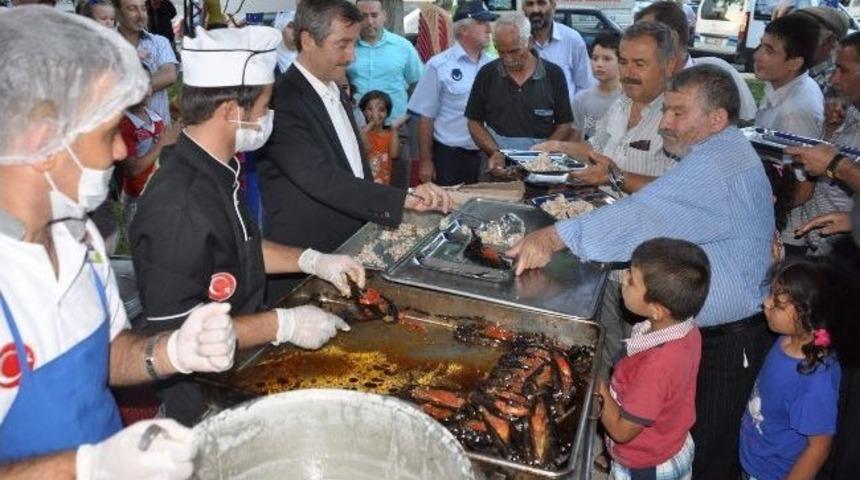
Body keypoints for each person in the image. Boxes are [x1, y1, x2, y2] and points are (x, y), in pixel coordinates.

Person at [508, 65, 776, 480]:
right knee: (679, 438)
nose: (665, 122)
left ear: (717, 119)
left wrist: (553, 238)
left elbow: (647, 216)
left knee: (711, 454)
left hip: (731, 341)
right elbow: (662, 201)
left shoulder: (718, 164)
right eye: (666, 110)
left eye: (678, 113)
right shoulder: (720, 152)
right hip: (710, 332)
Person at [0, 7, 236, 477]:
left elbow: (107, 351)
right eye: (109, 133)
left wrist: (170, 351)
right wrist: (87, 467)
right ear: (46, 143)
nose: (123, 150)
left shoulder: (81, 237)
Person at [131, 25, 362, 426]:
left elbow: (239, 245)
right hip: (203, 402)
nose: (268, 117)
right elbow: (177, 336)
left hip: (239, 371)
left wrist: (312, 260)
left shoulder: (220, 169)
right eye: (265, 106)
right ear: (232, 112)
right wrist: (282, 324)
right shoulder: (179, 204)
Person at [257, 0, 452, 304]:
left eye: (354, 44)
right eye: (342, 45)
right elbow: (321, 179)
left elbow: (354, 170)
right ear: (308, 40)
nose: (351, 56)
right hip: (304, 266)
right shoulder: (282, 100)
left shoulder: (335, 88)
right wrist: (405, 200)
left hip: (347, 253)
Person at [598, 238, 708, 480]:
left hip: (645, 465)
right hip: (668, 442)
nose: (624, 280)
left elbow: (621, 431)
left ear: (657, 309)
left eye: (631, 281)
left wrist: (600, 388)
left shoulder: (656, 366)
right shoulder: (688, 329)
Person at [536, 22, 680, 197]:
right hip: (603, 209)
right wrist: (558, 147)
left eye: (639, 64)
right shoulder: (621, 103)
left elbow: (679, 190)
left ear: (670, 65)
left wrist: (615, 177)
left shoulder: (681, 117)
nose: (628, 73)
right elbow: (595, 148)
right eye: (624, 62)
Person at [740, 259, 852, 480]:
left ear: (806, 314)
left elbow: (818, 448)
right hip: (755, 457)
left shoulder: (814, 380)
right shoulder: (788, 338)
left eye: (778, 302)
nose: (766, 302)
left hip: (771, 473)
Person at [754, 14, 824, 257]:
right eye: (761, 45)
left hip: (781, 235)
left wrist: (755, 214)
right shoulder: (780, 87)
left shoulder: (795, 112)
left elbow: (802, 188)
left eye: (769, 50)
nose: (757, 55)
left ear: (794, 62)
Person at [465, 12, 572, 169]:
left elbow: (564, 123)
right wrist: (495, 152)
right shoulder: (487, 74)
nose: (508, 59)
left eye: (514, 51)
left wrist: (543, 154)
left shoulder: (553, 74)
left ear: (529, 42)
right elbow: (474, 122)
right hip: (497, 168)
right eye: (501, 51)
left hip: (541, 168)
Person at [787, 32, 860, 255]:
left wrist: (836, 166)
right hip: (824, 250)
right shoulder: (850, 112)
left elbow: (834, 166)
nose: (834, 79)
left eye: (843, 70)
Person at [408, 0, 496, 185]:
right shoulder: (439, 65)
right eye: (482, 23)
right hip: (450, 158)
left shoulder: (493, 66)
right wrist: (426, 161)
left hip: (488, 156)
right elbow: (425, 117)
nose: (489, 28)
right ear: (464, 29)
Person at [635, 1, 758, 124]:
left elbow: (748, 126)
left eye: (645, 38)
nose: (637, 45)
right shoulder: (637, 86)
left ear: (672, 39)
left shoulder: (720, 73)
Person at [348, 0, 422, 123]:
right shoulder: (346, 46)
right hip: (357, 126)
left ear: (384, 16)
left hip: (395, 126)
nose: (370, 21)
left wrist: (409, 116)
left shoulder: (403, 47)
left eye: (374, 15)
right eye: (363, 16)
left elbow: (417, 84)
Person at [118, 83, 179, 230]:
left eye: (147, 84)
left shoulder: (155, 118)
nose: (144, 90)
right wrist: (162, 144)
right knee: (139, 238)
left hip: (159, 190)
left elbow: (167, 148)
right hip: (137, 195)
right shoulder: (124, 124)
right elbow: (133, 170)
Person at [114, 0, 178, 127]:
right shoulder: (106, 45)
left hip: (159, 136)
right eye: (132, 9)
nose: (140, 14)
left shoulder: (159, 42)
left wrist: (124, 89)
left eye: (143, 8)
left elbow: (169, 76)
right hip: (121, 135)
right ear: (117, 13)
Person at [523, 0, 594, 102]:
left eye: (541, 3)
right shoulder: (518, 41)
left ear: (553, 7)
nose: (535, 9)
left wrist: (570, 111)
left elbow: (585, 85)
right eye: (530, 4)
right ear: (523, 9)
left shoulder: (572, 39)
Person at [570, 31, 621, 141]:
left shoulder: (631, 99)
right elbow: (576, 139)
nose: (599, 64)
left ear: (621, 62)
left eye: (607, 59)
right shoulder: (580, 100)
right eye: (595, 58)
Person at [359, 90, 406, 185]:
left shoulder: (390, 134)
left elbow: (394, 154)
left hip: (385, 183)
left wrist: (394, 128)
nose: (375, 113)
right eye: (370, 109)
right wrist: (366, 129)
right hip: (365, 183)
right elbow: (366, 149)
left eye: (381, 110)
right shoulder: (361, 132)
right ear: (363, 112)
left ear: (387, 114)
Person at [274, 10, 297, 78]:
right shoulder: (269, 63)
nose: (296, 31)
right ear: (280, 30)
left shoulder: (310, 60)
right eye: (290, 26)